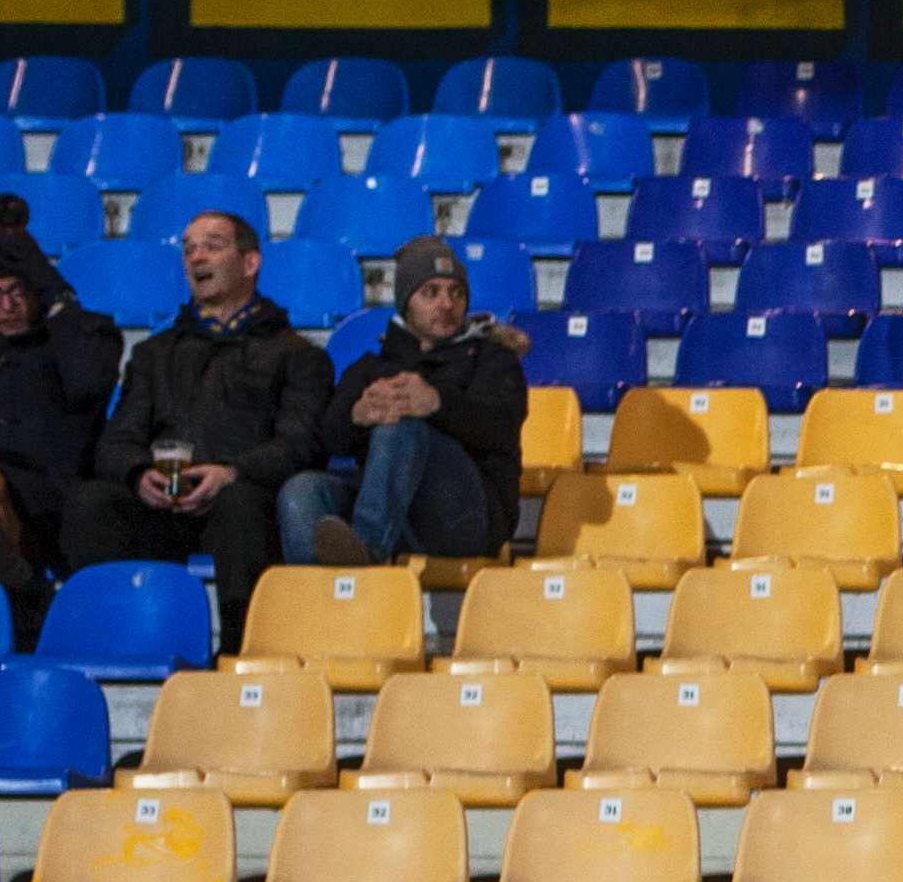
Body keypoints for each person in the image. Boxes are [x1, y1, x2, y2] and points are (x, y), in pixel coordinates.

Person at [64, 212, 330, 635]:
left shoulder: (298, 355)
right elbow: (117, 441)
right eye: (188, 248)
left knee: (240, 504)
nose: (196, 257)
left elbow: (301, 444)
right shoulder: (154, 353)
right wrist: (138, 475)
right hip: (162, 505)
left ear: (249, 263)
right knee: (91, 502)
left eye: (212, 244)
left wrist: (231, 472)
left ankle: (241, 648)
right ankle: (115, 638)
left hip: (239, 503)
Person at [281, 237, 527, 570]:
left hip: (466, 517)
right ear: (405, 303)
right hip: (395, 513)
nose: (446, 304)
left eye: (456, 293)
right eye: (431, 292)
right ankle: (319, 595)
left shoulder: (493, 359)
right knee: (302, 490)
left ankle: (365, 558)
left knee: (403, 427)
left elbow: (501, 427)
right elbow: (329, 438)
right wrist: (357, 416)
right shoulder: (372, 366)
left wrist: (438, 403)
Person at [0, 194, 122, 642]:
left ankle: (22, 579)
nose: (8, 306)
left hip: (53, 499)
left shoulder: (83, 337)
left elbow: (90, 384)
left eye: (18, 293)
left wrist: (53, 290)